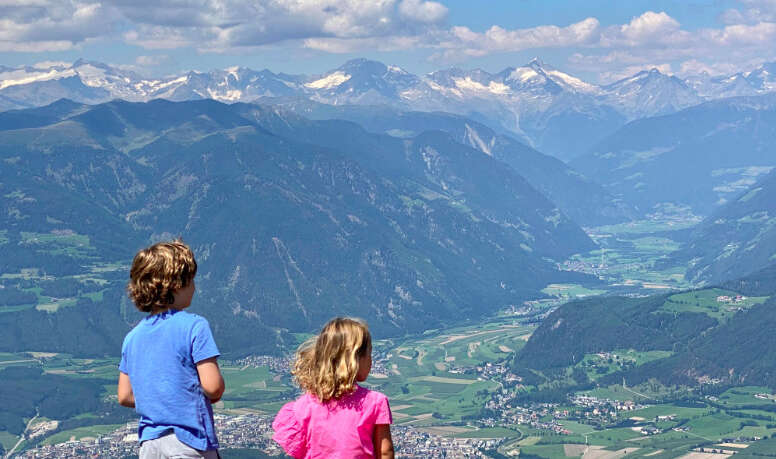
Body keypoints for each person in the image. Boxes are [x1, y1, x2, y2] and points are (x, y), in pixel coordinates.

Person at [117, 240, 225, 459]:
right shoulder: (195, 326)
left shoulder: (132, 337)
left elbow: (125, 395)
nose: (195, 287)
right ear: (177, 284)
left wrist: (161, 398)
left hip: (150, 446)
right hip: (189, 441)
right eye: (191, 280)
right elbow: (213, 387)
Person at [272, 317, 394, 459]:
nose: (371, 361)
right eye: (369, 354)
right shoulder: (375, 402)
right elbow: (385, 452)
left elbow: (299, 452)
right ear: (354, 359)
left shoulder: (302, 407)